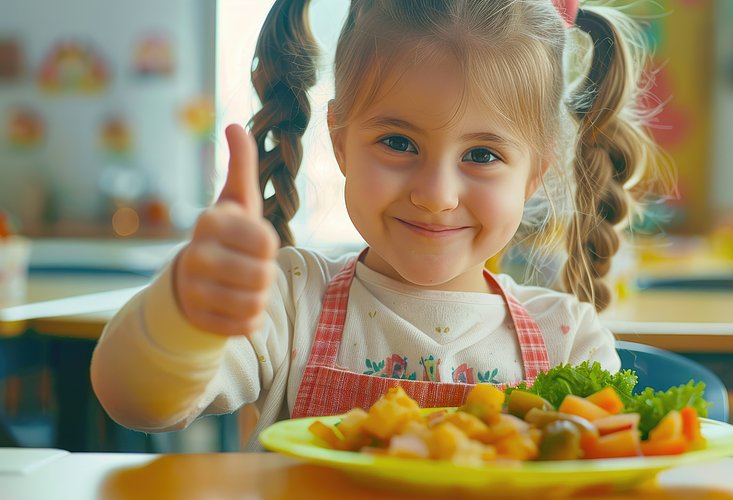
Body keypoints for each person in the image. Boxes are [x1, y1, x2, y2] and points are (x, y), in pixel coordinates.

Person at [91, 0, 659, 450]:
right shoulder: (290, 300)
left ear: (536, 172)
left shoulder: (569, 339)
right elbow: (136, 402)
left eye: (482, 155)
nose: (436, 195)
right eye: (397, 142)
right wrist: (183, 313)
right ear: (340, 142)